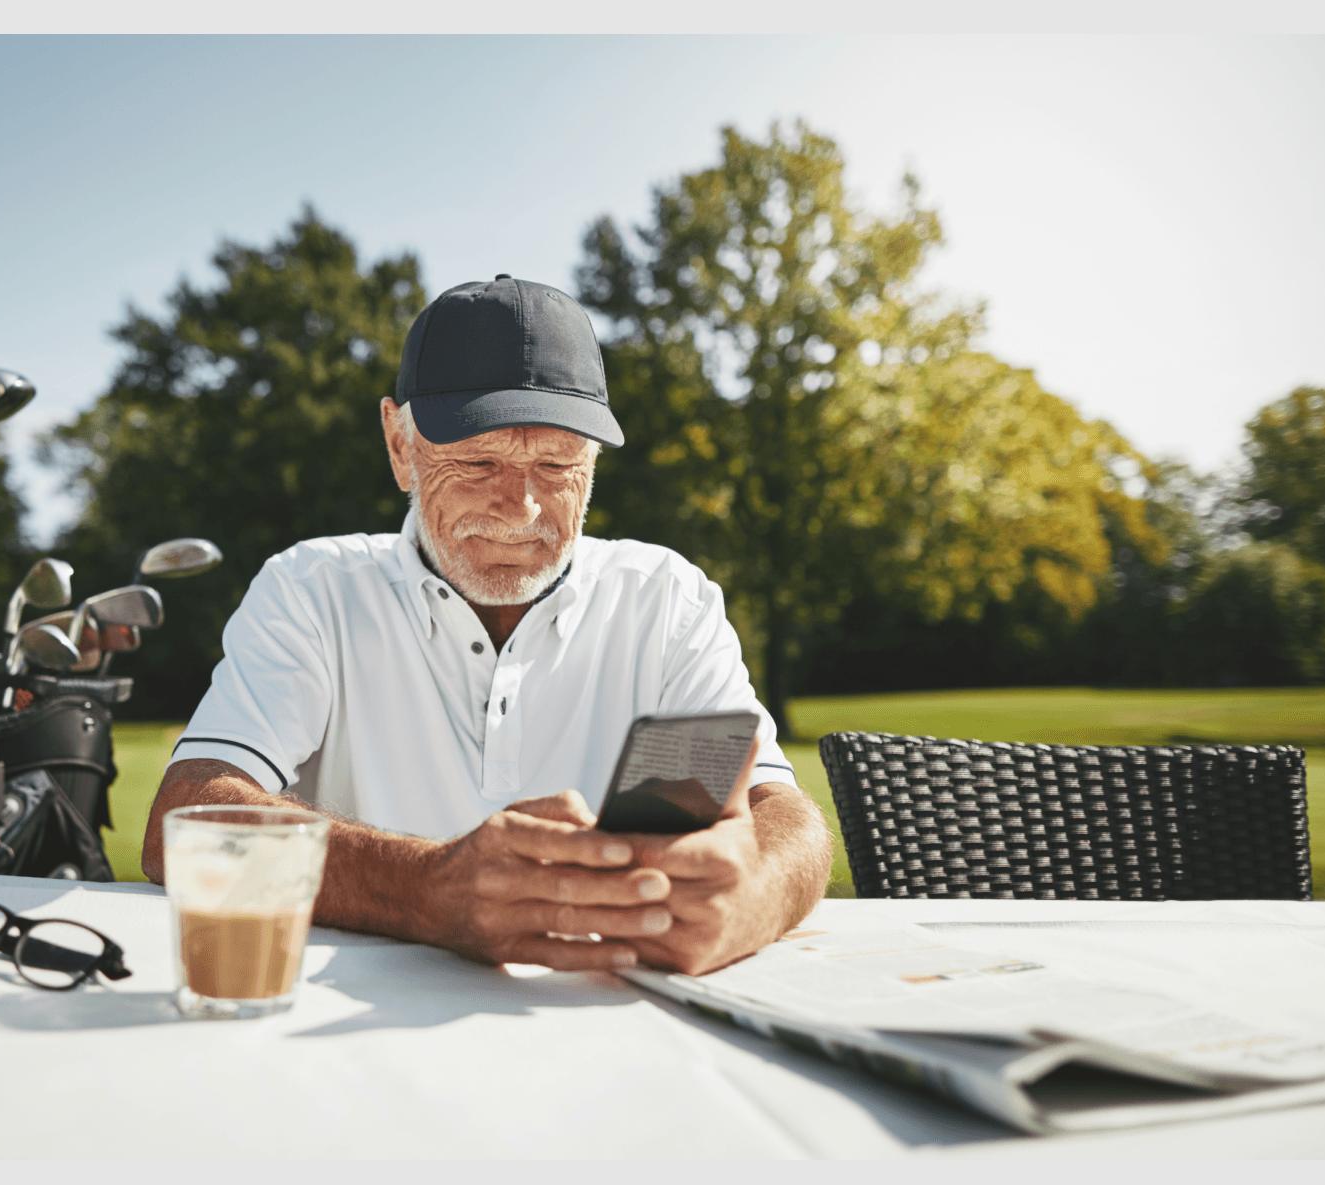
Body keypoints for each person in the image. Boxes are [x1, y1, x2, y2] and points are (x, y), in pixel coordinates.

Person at [141, 274, 833, 975]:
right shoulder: (314, 590)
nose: (520, 506)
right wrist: (422, 887)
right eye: (478, 461)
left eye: (557, 463)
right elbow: (186, 817)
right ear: (398, 444)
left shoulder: (662, 602)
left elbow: (778, 811)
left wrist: (749, 901)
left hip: (596, 1017)